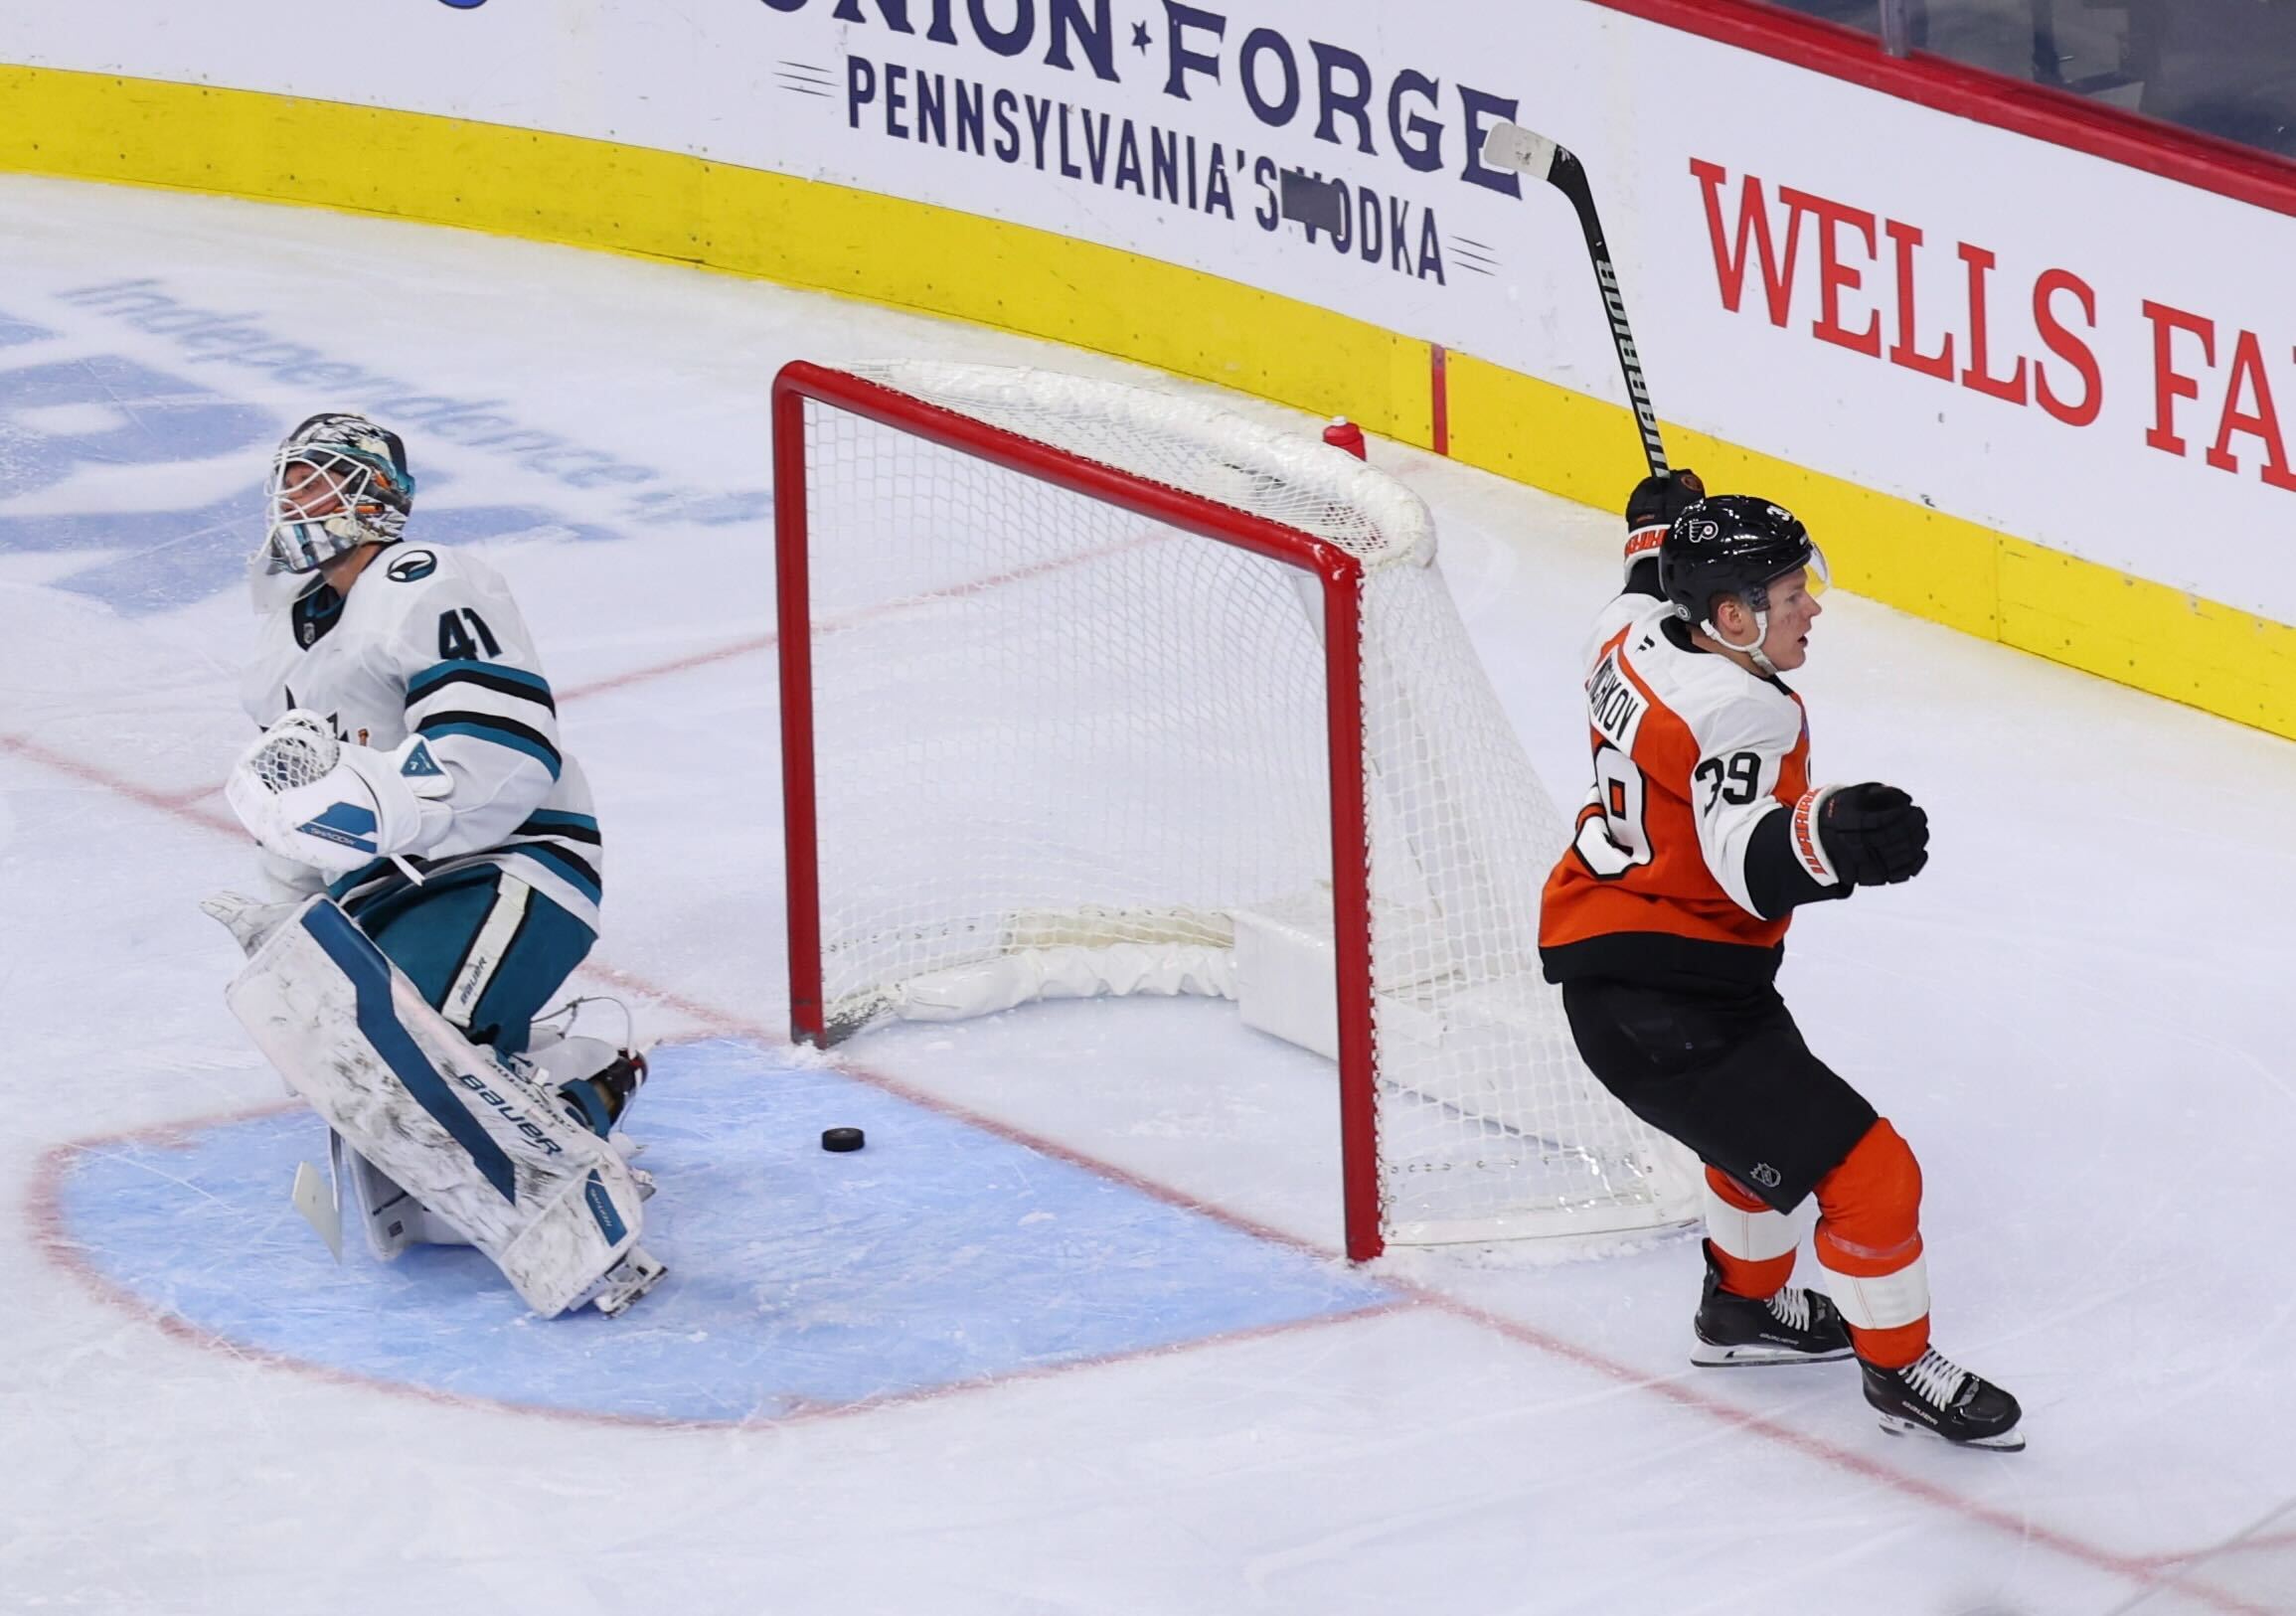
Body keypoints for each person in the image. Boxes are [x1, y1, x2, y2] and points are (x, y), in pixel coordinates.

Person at [1538, 471, 2022, 1451]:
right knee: (1873, 1176)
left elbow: (1643, 582)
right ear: (1729, 614)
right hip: (1660, 1000)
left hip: (1647, 963)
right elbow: (1744, 858)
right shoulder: (1743, 712)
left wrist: (1656, 526)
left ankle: (1743, 1313)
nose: (1812, 609)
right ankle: (1901, 1372)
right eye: (1793, 595)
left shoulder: (1625, 630)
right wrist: (1832, 836)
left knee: (1758, 1152)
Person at [219, 412, 645, 1219]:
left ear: (379, 493)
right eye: (292, 481)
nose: (299, 498)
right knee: (343, 1064)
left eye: (323, 477)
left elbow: (505, 755)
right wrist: (287, 921)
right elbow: (301, 805)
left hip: (507, 865)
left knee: (405, 1068)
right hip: (386, 891)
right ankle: (538, 1064)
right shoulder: (284, 642)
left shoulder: (426, 580)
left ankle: (583, 1110)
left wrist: (390, 808)